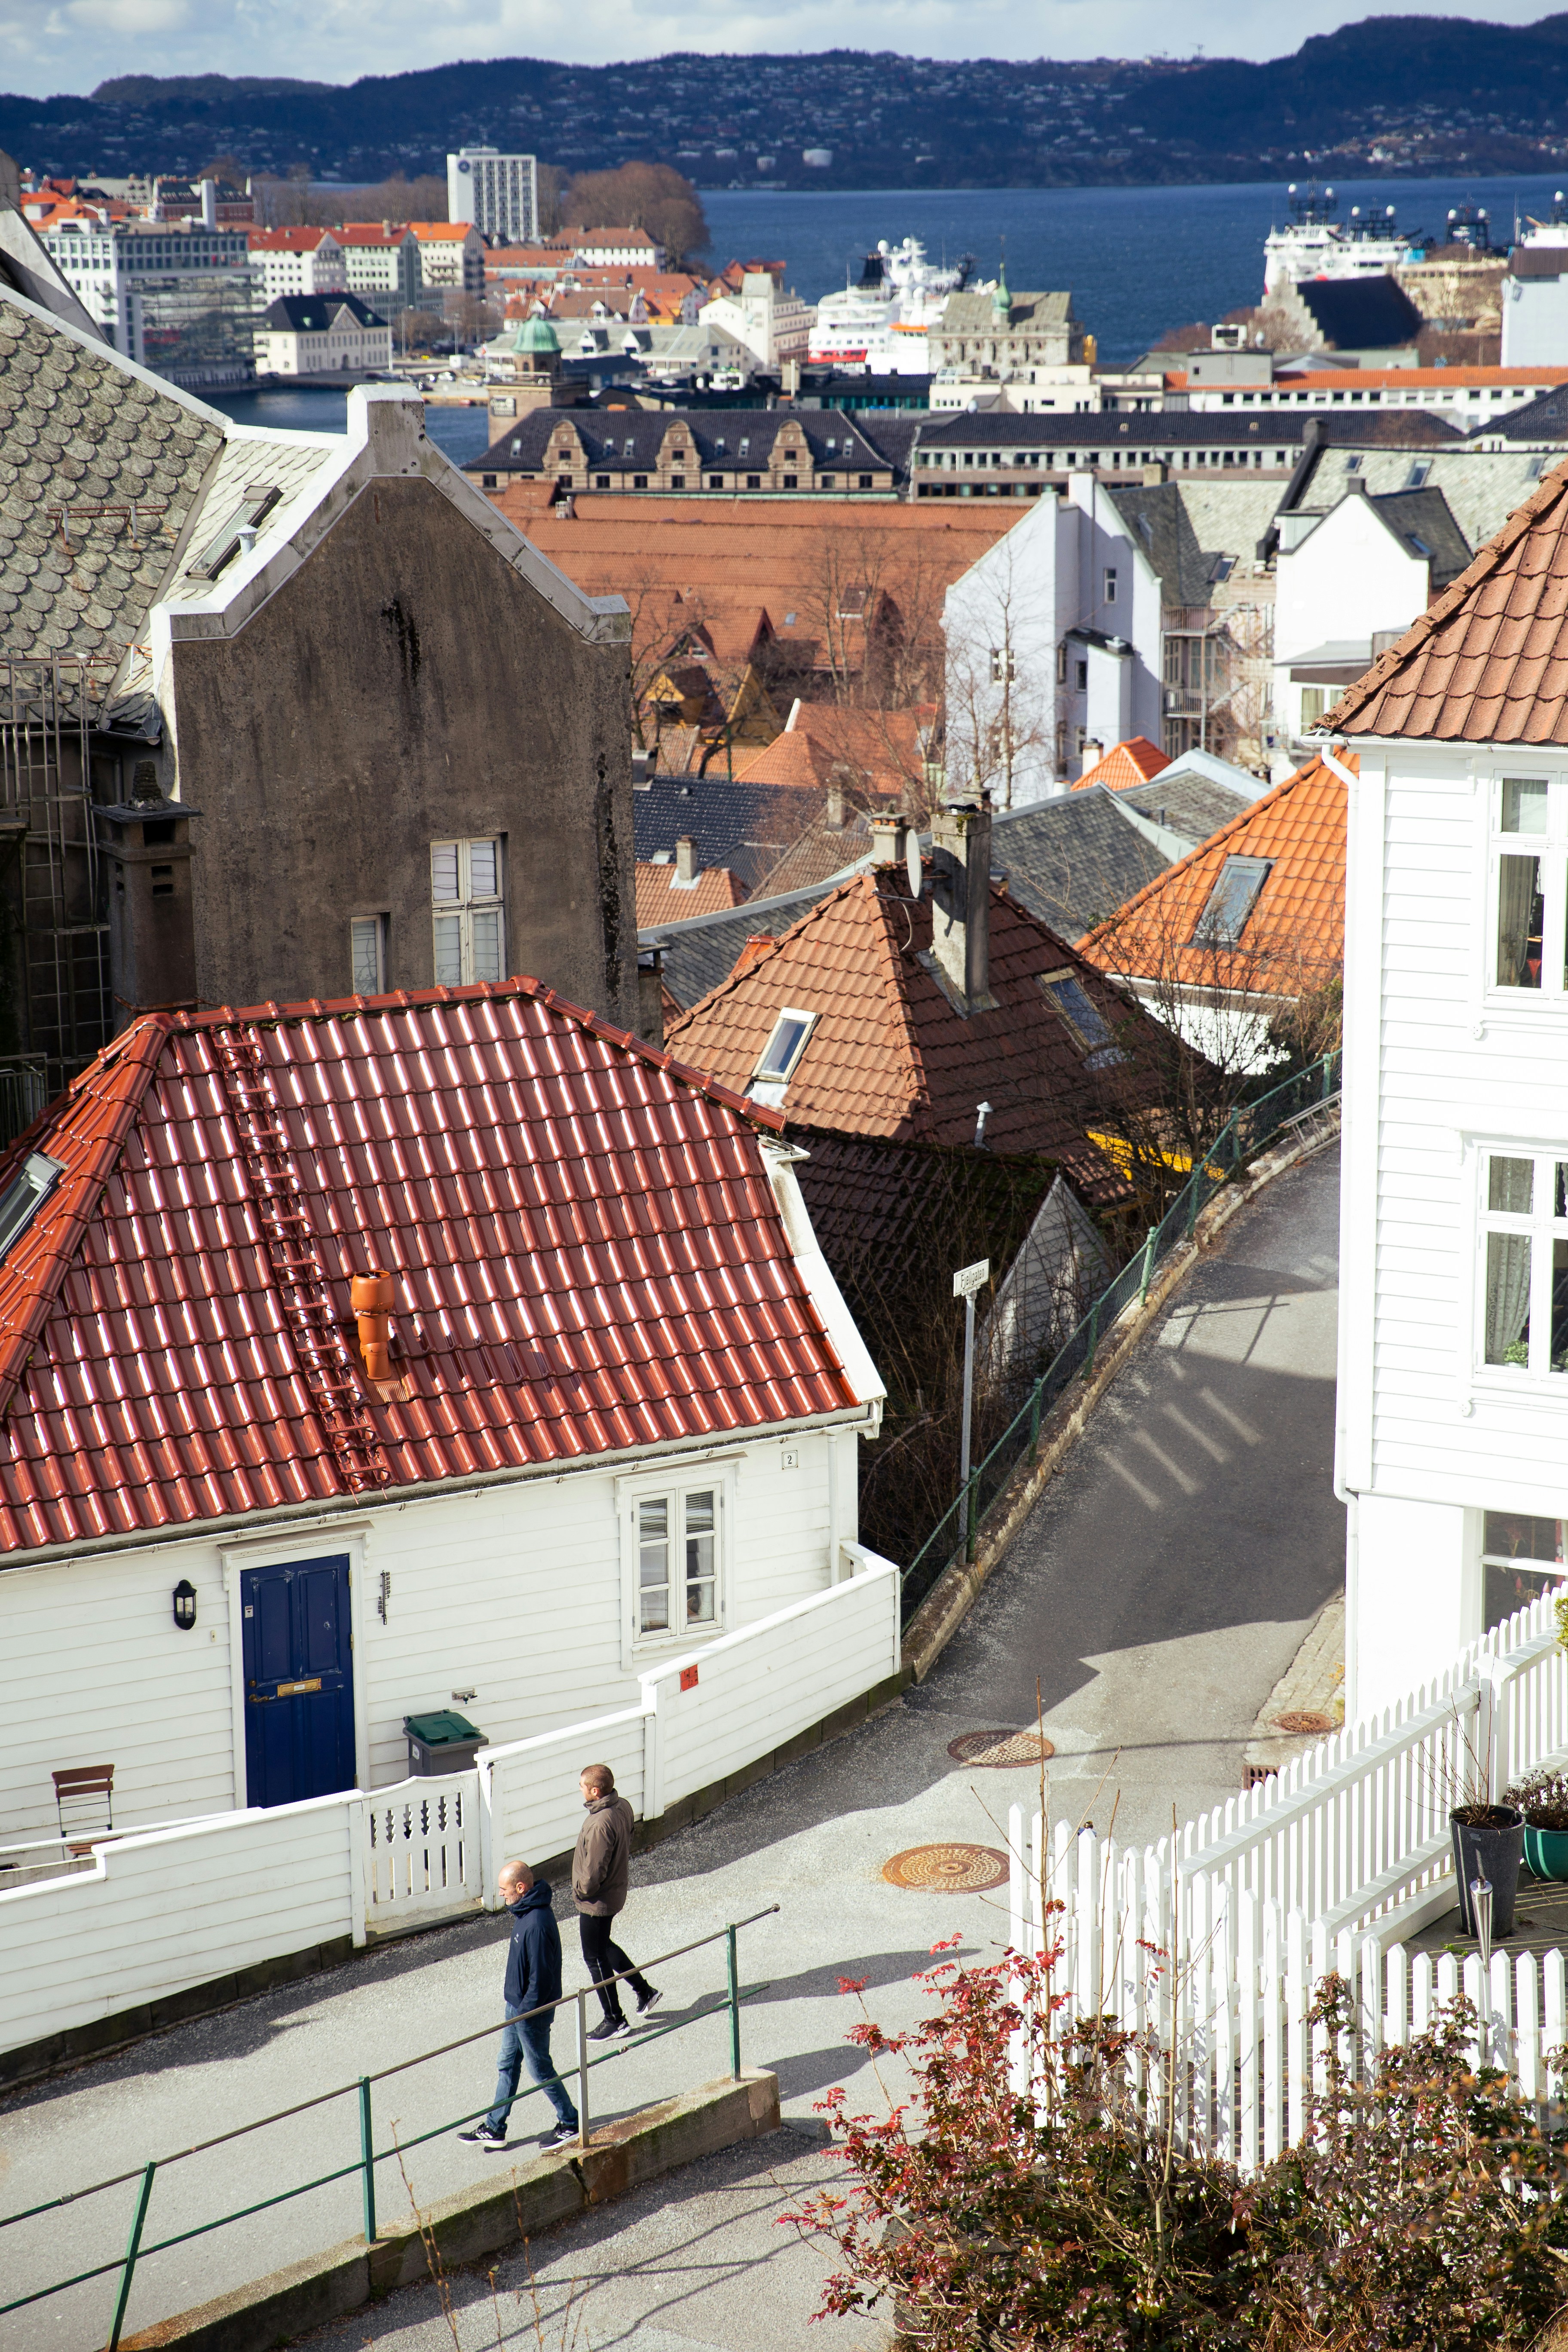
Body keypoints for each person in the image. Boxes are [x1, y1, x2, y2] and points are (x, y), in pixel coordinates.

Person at [458, 1859, 579, 2151]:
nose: (501, 1894)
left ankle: (570, 2122)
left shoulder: (536, 1923)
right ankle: (495, 2127)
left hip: (529, 2013)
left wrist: (525, 2014)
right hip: (517, 2008)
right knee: (508, 2065)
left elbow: (542, 1979)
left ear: (521, 1888)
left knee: (540, 2069)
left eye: (505, 1889)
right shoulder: (525, 1912)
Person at [573, 1763, 660, 2039]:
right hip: (613, 1891)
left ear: (595, 1791)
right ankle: (645, 1992)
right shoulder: (623, 1806)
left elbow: (593, 1873)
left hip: (597, 1901)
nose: (580, 1790)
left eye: (583, 1786)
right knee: (604, 1946)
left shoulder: (600, 1823)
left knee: (594, 1957)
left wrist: (581, 1891)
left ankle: (615, 2020)